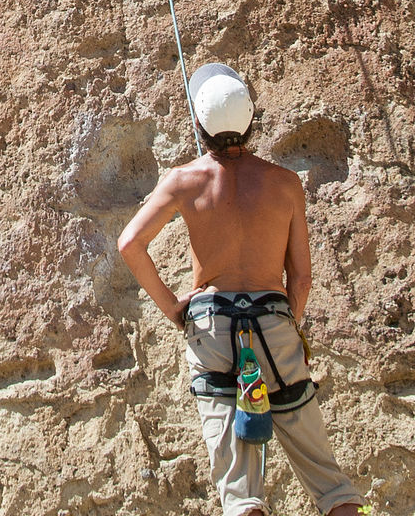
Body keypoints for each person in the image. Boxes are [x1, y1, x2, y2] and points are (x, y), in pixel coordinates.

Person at [117, 63, 364, 516]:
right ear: (251, 120)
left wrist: (174, 308)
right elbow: (301, 278)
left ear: (198, 124)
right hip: (274, 320)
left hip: (212, 329)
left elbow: (130, 244)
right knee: (330, 483)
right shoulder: (286, 184)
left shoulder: (183, 181)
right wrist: (288, 324)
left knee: (241, 492)